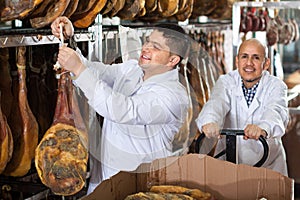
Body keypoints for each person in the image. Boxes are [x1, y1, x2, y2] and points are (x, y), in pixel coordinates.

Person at [51, 17, 190, 193]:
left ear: (173, 60)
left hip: (140, 187)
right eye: (147, 41)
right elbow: (95, 72)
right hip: (104, 180)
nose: (146, 48)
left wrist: (78, 69)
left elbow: (122, 110)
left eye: (156, 47)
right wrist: (70, 40)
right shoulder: (132, 69)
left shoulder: (173, 96)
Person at [195, 38, 289, 176]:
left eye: (256, 58)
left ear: (266, 63)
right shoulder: (226, 81)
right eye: (244, 57)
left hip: (268, 166)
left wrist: (263, 128)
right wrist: (210, 121)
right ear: (237, 61)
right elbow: (216, 103)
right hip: (228, 164)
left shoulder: (276, 86)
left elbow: (276, 110)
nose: (249, 63)